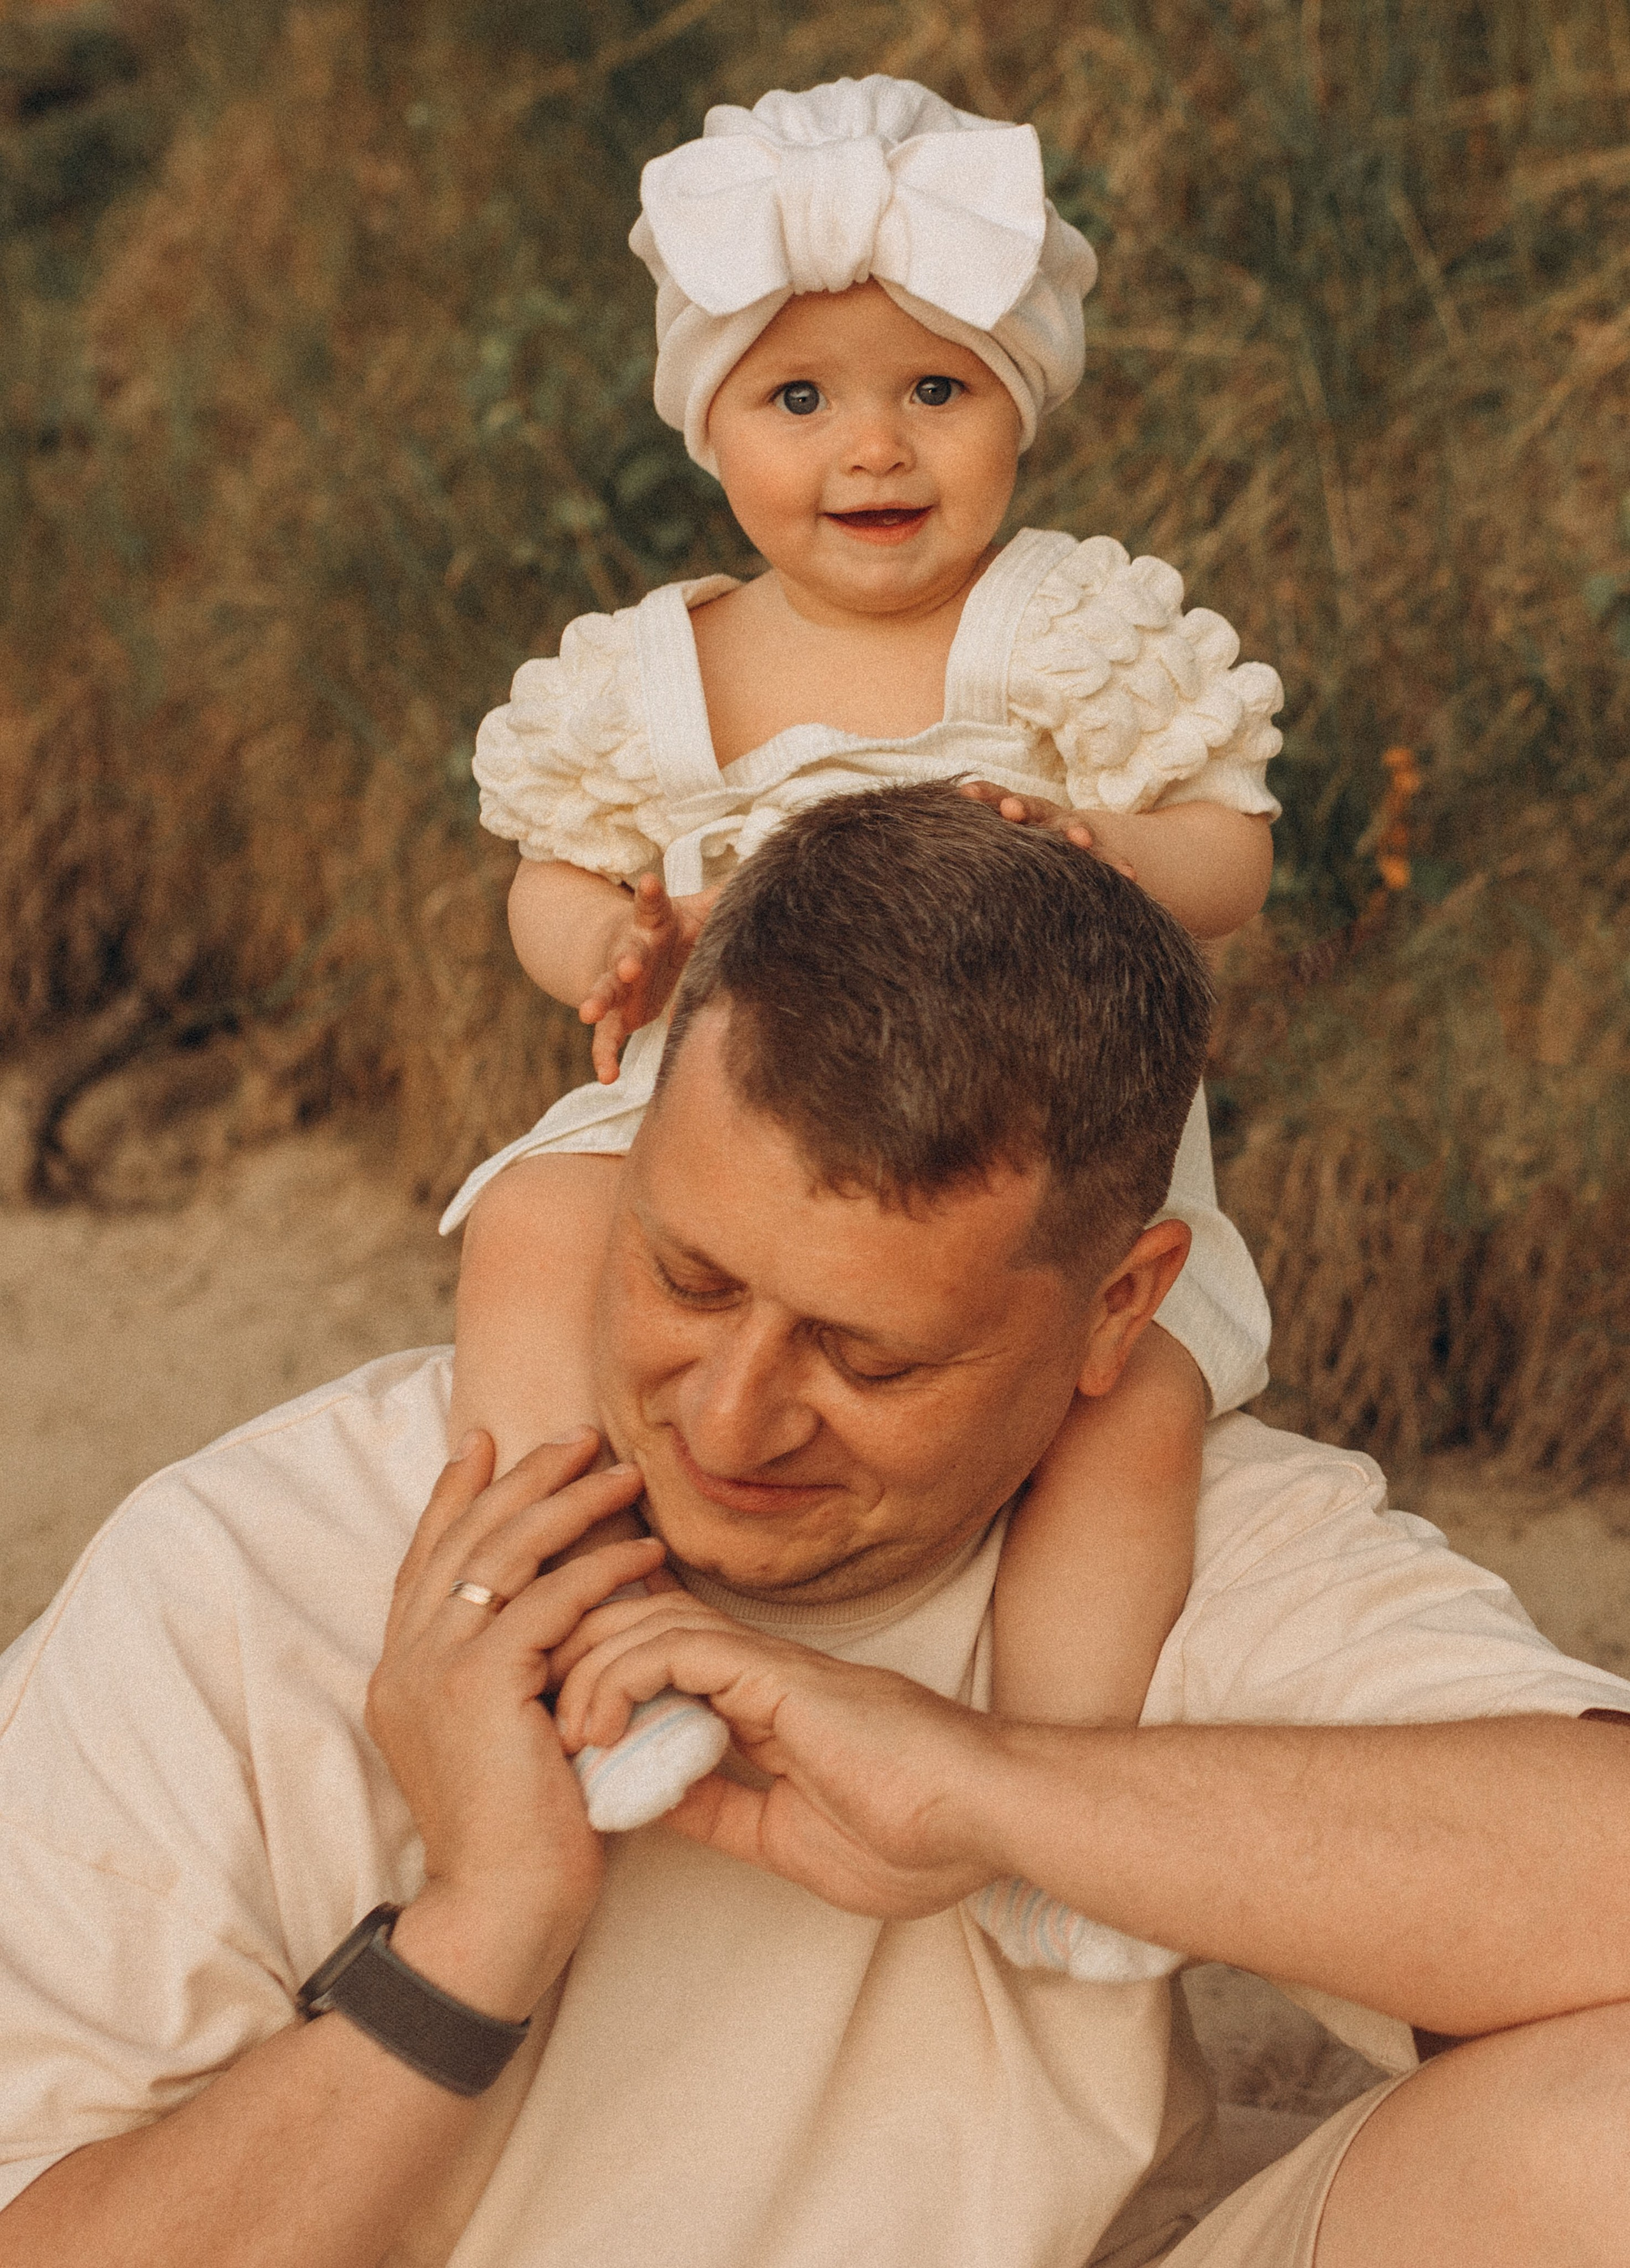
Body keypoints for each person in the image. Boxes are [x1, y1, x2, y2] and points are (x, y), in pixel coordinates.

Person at [3, 784, 1629, 2268]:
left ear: (1112, 1310)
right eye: (683, 1277)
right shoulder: (258, 1558)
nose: (727, 1418)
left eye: (871, 1355)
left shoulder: (1155, 1539)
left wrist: (977, 1781)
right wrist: (475, 1927)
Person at [441, 74, 1283, 1867]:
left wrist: (1113, 850)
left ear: (1020, 410)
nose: (874, 449)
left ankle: (1056, 1796)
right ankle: (591, 1636)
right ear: (709, 425)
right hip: (717, 1134)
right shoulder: (652, 671)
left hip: (1017, 1157)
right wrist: (603, 935)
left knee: (1129, 1429)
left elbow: (1232, 852)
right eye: (799, 398)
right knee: (528, 1237)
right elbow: (551, 868)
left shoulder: (1064, 637)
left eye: (937, 391)